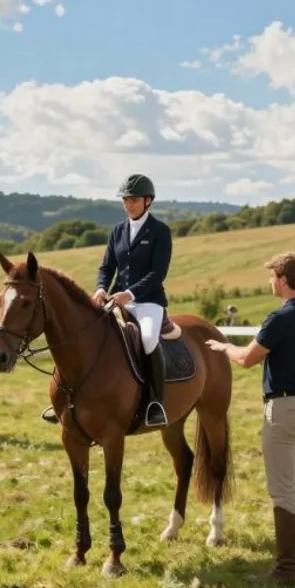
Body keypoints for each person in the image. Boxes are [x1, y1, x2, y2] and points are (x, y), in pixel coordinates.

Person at [205, 252, 295, 585]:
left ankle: (285, 569)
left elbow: (247, 359)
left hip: (284, 409)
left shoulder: (280, 317)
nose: (270, 282)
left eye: (272, 276)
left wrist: (222, 347)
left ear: (283, 279)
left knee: (283, 490)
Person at [92, 173, 173, 427]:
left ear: (148, 201)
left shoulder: (160, 231)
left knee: (148, 338)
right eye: (125, 200)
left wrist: (131, 293)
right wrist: (100, 288)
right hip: (117, 298)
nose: (129, 204)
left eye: (134, 200)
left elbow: (157, 273)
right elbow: (106, 267)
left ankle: (155, 402)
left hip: (148, 301)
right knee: (90, 331)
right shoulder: (117, 231)